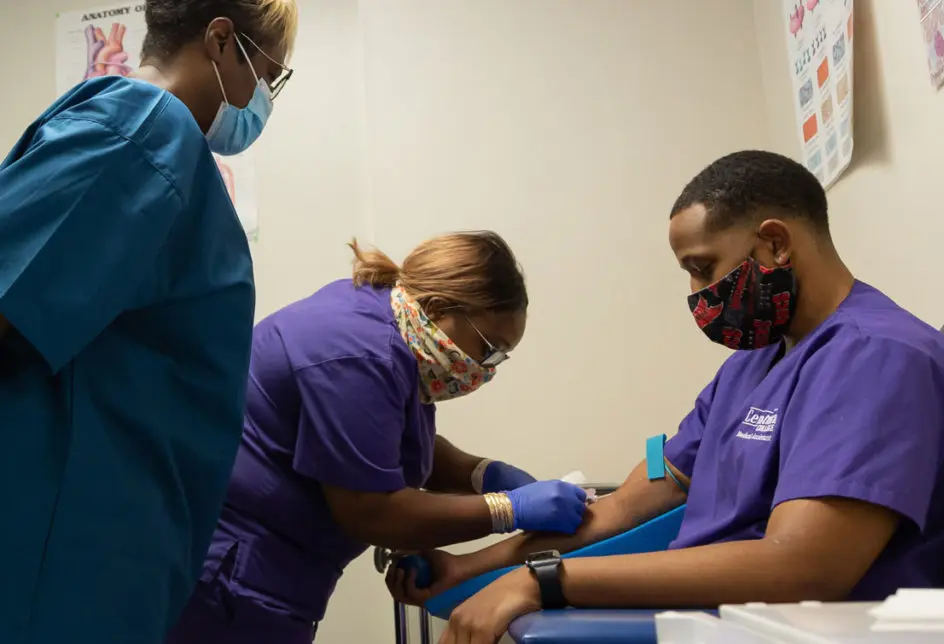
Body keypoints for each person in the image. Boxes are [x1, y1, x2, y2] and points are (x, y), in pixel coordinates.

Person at [391, 151, 944, 644]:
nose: (697, 295)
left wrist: (543, 580)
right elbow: (624, 506)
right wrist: (469, 568)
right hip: (705, 616)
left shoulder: (878, 358)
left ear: (774, 243)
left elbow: (803, 567)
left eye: (703, 268)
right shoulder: (753, 363)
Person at [0, 1, 297, 643]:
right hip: (63, 565)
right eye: (272, 76)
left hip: (105, 556)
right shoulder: (143, 128)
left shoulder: (163, 146)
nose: (265, 99)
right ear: (222, 41)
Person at [166, 231, 589, 644]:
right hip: (233, 578)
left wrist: (481, 474)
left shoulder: (381, 324)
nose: (488, 369)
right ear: (441, 307)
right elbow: (374, 513)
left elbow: (375, 440)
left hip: (260, 572)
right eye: (489, 349)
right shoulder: (358, 354)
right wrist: (507, 510)